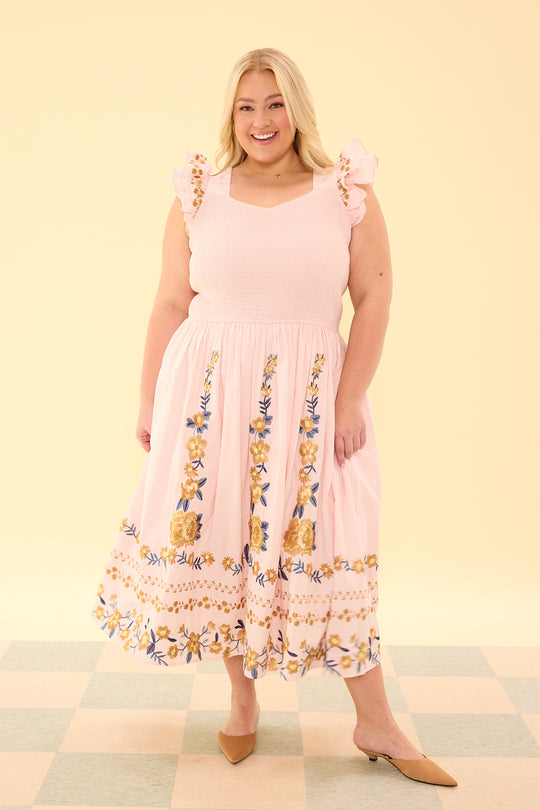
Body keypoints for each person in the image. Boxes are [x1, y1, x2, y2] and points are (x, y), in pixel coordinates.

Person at [92, 47, 457, 788]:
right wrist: (149, 398)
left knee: (326, 544)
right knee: (228, 536)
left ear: (298, 108)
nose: (261, 120)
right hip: (208, 397)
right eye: (246, 106)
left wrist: (350, 398)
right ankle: (242, 701)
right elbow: (170, 303)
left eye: (275, 103)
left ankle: (375, 720)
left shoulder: (344, 191)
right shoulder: (200, 193)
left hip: (310, 401)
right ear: (231, 116)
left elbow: (374, 299)